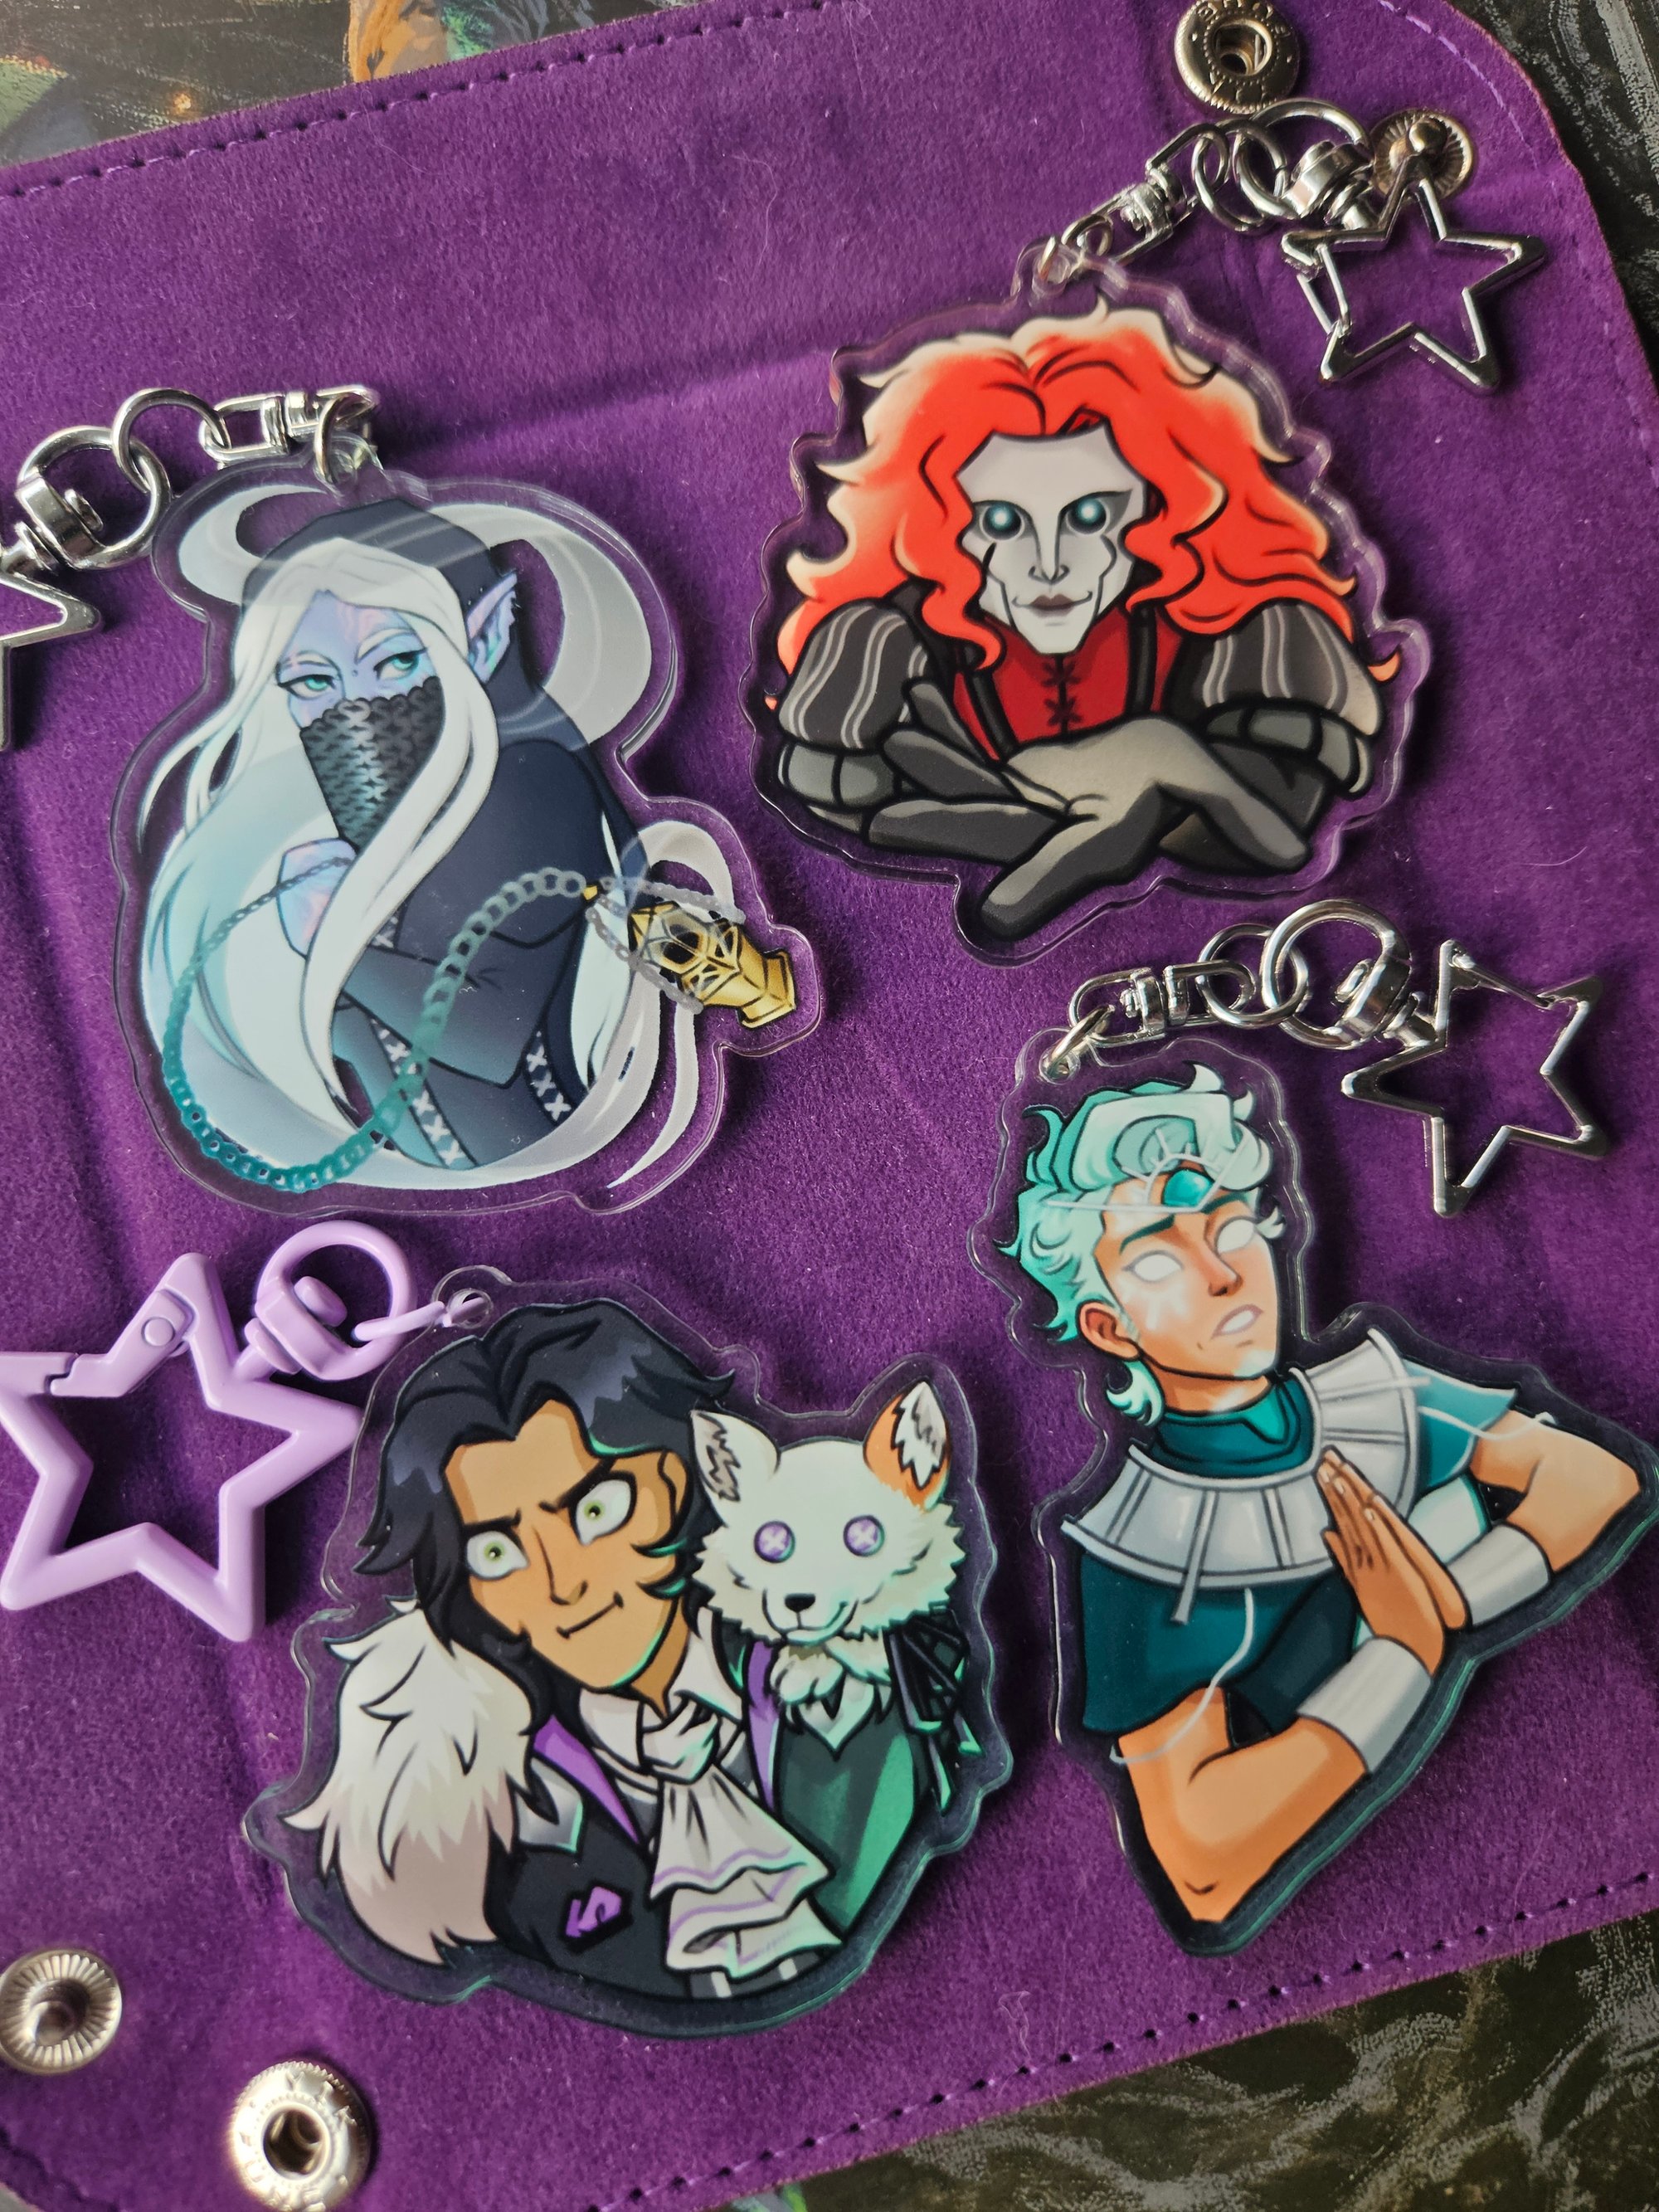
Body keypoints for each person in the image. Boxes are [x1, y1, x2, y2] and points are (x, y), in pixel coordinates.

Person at [1004, 1066, 1649, 1940]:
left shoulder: (1375, 1391)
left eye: (1232, 1226)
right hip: (1430, 1896)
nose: (1222, 1274)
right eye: (1158, 1258)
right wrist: (1397, 1657)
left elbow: (1592, 1477)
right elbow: (1198, 1860)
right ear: (1109, 1325)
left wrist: (1452, 1600)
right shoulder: (1135, 1544)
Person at [286, 1302, 971, 2009]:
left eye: (596, 1511)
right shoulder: (513, 1808)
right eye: (498, 1553)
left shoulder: (858, 1672)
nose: (563, 1583)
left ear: (677, 1483)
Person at [134, 489, 746, 1193]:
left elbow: (492, 1035)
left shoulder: (528, 781)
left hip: (574, 1154)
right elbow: (372, 1048)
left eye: (397, 662)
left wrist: (342, 949)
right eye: (313, 681)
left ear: (483, 637)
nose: (354, 707)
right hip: (461, 1194)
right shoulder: (380, 829)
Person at [769, 299, 1389, 939]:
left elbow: (1294, 816)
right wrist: (1171, 787)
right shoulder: (882, 643)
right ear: (932, 524)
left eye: (1090, 516)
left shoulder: (1249, 626)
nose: (1049, 565)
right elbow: (825, 777)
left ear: (1163, 504)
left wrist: (1168, 758)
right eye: (1002, 522)